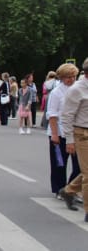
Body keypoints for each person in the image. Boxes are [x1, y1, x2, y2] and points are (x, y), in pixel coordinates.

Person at [59, 58, 88, 222]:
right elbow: (67, 116)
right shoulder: (77, 90)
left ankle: (68, 190)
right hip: (82, 134)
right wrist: (69, 140)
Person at [46, 63, 80, 200]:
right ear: (61, 77)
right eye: (68, 77)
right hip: (59, 132)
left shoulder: (78, 89)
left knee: (79, 165)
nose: (71, 79)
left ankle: (71, 188)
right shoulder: (56, 92)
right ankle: (59, 188)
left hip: (75, 132)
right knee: (59, 164)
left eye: (73, 76)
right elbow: (52, 114)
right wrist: (54, 134)